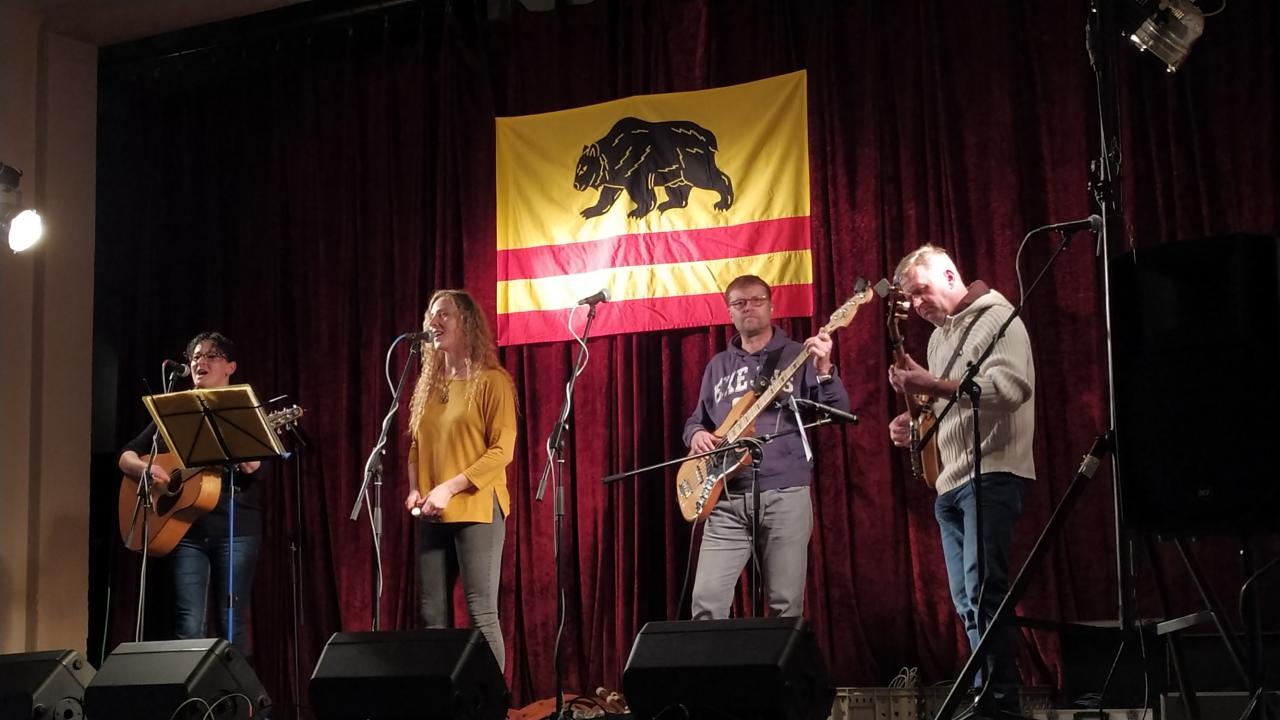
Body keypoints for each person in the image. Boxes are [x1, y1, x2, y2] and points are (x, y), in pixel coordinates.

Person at [887, 245, 1036, 716]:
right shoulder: (938, 339)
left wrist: (932, 386)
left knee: (984, 591)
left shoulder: (996, 316)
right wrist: (913, 423)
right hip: (950, 481)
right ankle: (987, 695)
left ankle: (1000, 704)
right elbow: (948, 406)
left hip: (991, 470)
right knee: (966, 600)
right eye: (910, 298)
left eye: (921, 291)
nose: (916, 305)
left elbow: (1009, 389)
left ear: (950, 276)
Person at [682, 274, 851, 619]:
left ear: (772, 306)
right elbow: (695, 421)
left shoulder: (797, 355)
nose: (749, 308)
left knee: (784, 605)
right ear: (729, 312)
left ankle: (780, 660)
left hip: (784, 494)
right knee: (706, 603)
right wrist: (696, 434)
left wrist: (823, 368)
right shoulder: (718, 366)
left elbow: (838, 411)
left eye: (757, 300)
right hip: (725, 497)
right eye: (740, 303)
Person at [118, 331, 267, 657]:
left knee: (231, 625)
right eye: (196, 356)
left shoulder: (245, 409)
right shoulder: (178, 411)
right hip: (186, 530)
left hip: (236, 531)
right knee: (188, 625)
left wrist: (241, 449)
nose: (201, 362)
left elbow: (256, 468)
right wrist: (146, 470)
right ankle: (191, 691)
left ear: (230, 367)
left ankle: (235, 690)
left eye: (211, 356)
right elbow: (127, 455)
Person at [405, 289, 517, 671]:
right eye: (431, 315)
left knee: (480, 612)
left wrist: (449, 487)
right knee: (431, 615)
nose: (433, 322)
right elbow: (417, 446)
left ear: (467, 323)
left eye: (444, 314)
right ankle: (442, 696)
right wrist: (415, 488)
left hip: (477, 507)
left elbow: (502, 451)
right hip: (432, 511)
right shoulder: (429, 385)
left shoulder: (492, 381)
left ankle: (494, 699)